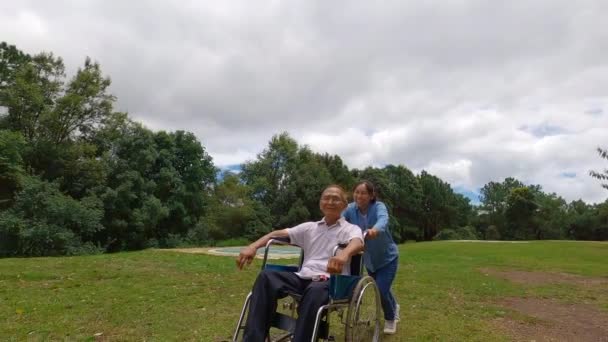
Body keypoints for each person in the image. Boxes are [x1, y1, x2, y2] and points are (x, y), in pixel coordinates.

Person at [236, 185, 364, 342]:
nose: (330, 201)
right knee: (266, 277)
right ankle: (253, 339)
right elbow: (277, 234)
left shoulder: (350, 228)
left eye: (335, 198)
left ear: (345, 205)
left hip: (330, 281)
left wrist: (343, 255)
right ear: (320, 203)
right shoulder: (309, 227)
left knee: (314, 291)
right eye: (326, 197)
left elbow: (357, 243)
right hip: (302, 277)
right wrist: (253, 246)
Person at [342, 180, 400, 334]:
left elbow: (383, 220)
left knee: (381, 290)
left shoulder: (379, 207)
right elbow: (340, 220)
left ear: (371, 195)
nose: (359, 196)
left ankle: (390, 318)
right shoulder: (350, 209)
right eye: (357, 192)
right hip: (369, 261)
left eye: (363, 193)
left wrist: (375, 230)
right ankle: (394, 306)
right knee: (382, 288)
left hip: (388, 258)